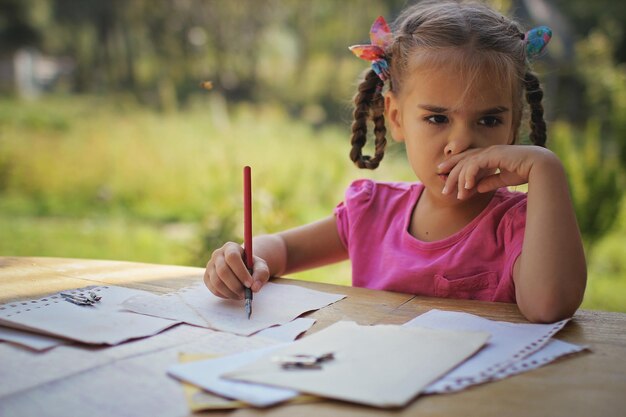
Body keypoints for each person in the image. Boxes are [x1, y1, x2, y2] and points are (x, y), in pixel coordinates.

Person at [204, 0, 587, 323]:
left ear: (513, 126)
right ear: (397, 117)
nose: (461, 143)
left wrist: (545, 168)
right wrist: (244, 259)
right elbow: (284, 250)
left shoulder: (520, 225)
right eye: (437, 118)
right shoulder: (373, 212)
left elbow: (549, 306)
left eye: (489, 120)